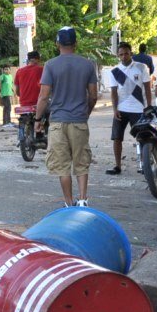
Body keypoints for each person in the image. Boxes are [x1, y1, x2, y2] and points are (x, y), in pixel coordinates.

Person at [35, 26, 98, 207]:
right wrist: (85, 113)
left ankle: (69, 203)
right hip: (79, 121)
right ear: (75, 44)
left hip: (58, 122)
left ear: (57, 43)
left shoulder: (51, 65)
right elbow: (93, 95)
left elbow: (44, 96)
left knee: (62, 166)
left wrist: (38, 121)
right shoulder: (87, 65)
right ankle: (83, 200)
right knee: (81, 162)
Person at [105, 42, 152, 175]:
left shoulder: (142, 67)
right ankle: (117, 166)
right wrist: (115, 109)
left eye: (126, 53)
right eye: (121, 54)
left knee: (142, 138)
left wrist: (148, 106)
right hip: (121, 109)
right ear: (118, 56)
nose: (124, 56)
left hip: (139, 109)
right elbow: (113, 92)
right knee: (116, 138)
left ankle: (144, 165)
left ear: (131, 53)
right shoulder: (114, 71)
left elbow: (148, 88)